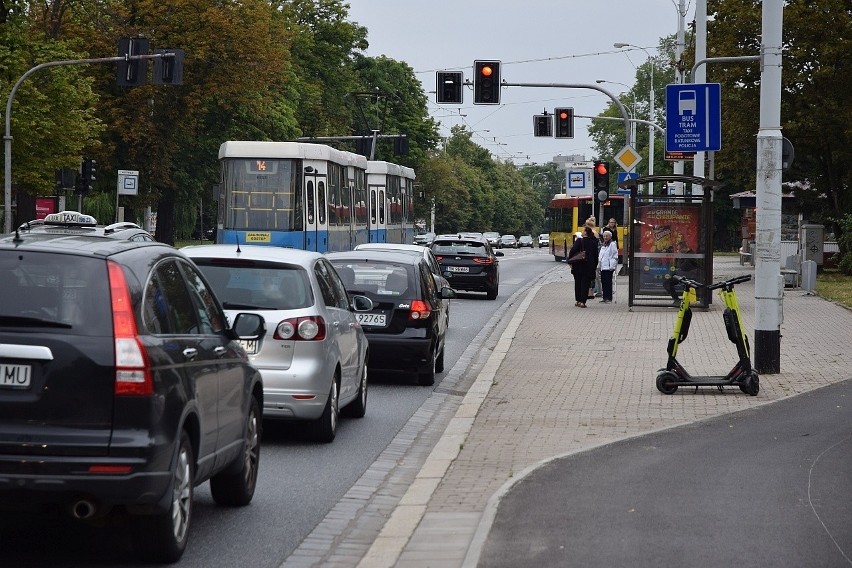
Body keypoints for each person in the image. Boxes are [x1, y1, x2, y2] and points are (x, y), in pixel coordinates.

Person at [570, 227, 599, 308]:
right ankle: (583, 301)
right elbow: (595, 256)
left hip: (578, 265)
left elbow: (573, 251)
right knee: (585, 284)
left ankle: (578, 300)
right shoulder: (593, 243)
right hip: (588, 267)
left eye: (583, 231)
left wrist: (570, 261)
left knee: (578, 283)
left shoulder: (579, 241)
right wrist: (594, 266)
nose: (582, 232)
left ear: (586, 232)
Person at [598, 230, 618, 303]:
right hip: (603, 266)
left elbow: (615, 255)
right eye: (604, 236)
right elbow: (601, 255)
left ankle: (609, 298)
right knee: (603, 282)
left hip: (609, 267)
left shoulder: (612, 244)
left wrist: (612, 265)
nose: (605, 237)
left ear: (610, 236)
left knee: (608, 282)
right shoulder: (604, 244)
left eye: (607, 236)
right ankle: (605, 297)